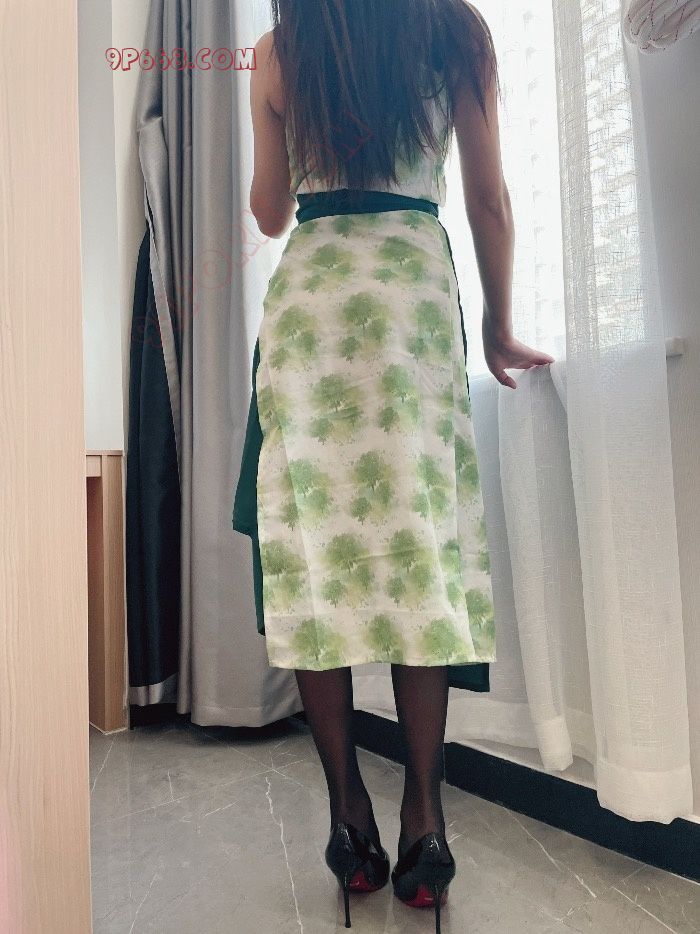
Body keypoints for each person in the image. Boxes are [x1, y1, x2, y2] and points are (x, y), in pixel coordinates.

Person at [243, 1, 554, 929]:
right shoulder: (453, 33)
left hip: (312, 308)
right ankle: (426, 823)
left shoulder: (280, 50)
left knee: (314, 556)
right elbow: (490, 200)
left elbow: (269, 212)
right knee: (421, 548)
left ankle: (350, 822)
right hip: (411, 300)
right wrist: (497, 325)